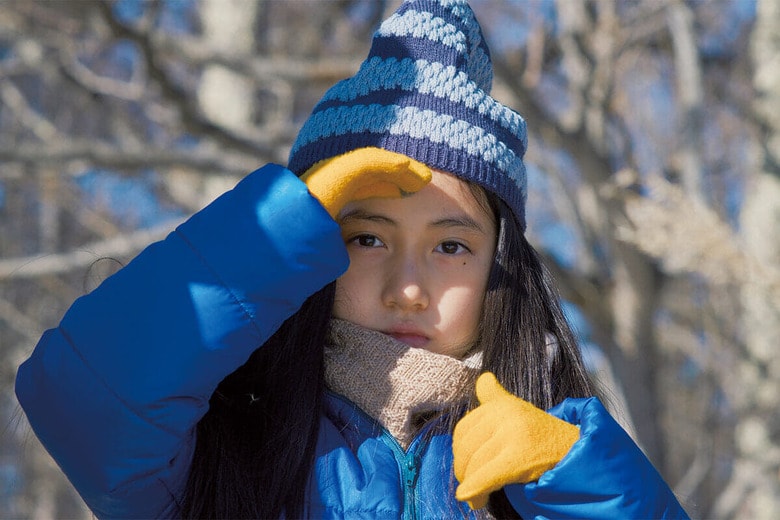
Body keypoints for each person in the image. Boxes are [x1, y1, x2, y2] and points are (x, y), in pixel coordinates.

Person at [16, 1, 689, 518]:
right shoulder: (222, 446)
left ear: (500, 267)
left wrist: (580, 483)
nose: (407, 289)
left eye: (451, 246)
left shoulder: (546, 472)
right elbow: (82, 399)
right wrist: (277, 225)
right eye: (365, 238)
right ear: (309, 252)